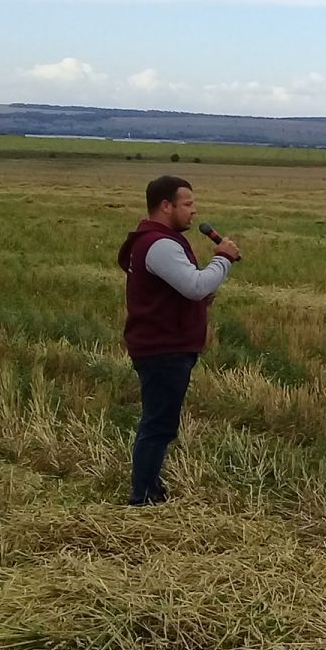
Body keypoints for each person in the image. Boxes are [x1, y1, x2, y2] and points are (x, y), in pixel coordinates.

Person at [116, 175, 241, 506]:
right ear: (165, 206)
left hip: (160, 344)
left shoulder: (152, 241)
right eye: (187, 204)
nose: (193, 212)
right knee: (158, 425)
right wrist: (223, 258)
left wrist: (198, 296)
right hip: (164, 347)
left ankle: (150, 489)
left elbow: (181, 290)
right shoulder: (160, 244)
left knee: (158, 422)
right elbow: (195, 286)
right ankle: (143, 496)